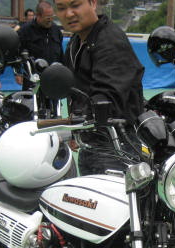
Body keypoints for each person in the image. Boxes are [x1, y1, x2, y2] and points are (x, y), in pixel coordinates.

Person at [53, 0, 144, 174]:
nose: (69, 14)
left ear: (93, 3)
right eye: (61, 8)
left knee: (112, 192)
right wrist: (77, 130)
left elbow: (107, 99)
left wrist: (75, 127)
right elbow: (78, 91)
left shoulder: (110, 40)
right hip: (92, 142)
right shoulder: (76, 41)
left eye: (75, 5)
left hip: (116, 145)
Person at [15, 1, 64, 89]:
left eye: (52, 17)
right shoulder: (25, 31)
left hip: (53, 77)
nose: (50, 20)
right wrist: (18, 72)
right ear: (38, 16)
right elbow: (16, 52)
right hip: (32, 77)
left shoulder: (56, 30)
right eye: (47, 17)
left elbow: (60, 53)